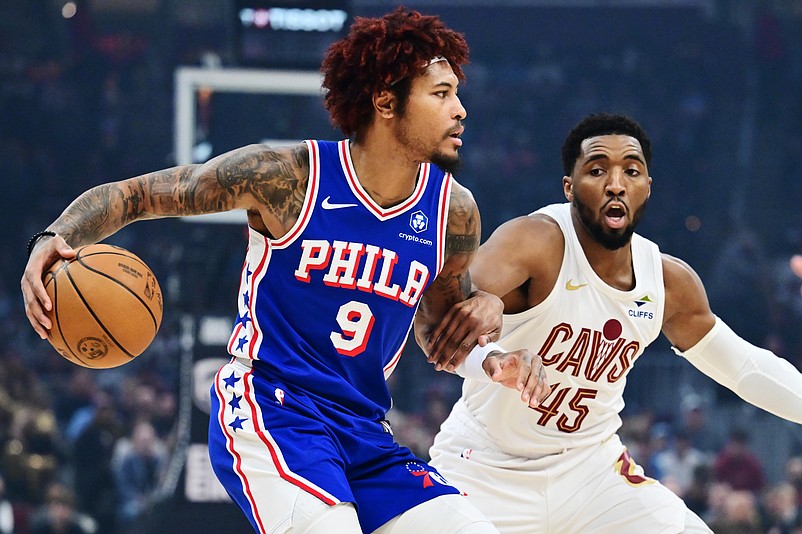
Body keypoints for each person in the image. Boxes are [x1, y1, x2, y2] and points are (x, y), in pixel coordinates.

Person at [21, 7, 548, 533]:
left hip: (363, 430)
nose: (461, 110)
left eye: (457, 93)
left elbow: (440, 337)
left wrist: (492, 361)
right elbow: (136, 196)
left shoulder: (453, 212)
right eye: (441, 93)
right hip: (271, 409)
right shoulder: (289, 179)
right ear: (385, 100)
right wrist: (54, 238)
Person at [428, 112, 802, 533]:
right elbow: (440, 322)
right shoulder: (535, 241)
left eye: (631, 170)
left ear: (646, 188)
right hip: (485, 468)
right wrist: (495, 357)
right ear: (569, 187)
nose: (615, 183)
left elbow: (745, 369)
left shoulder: (669, 282)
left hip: (592, 474)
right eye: (597, 169)